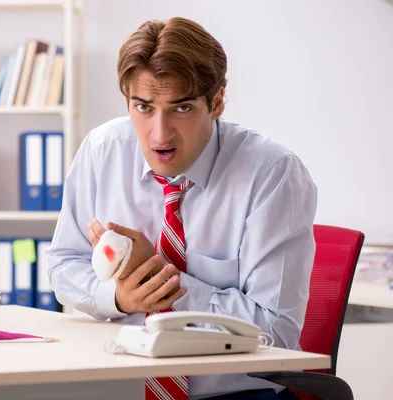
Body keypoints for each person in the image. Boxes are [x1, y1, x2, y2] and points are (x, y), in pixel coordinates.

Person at [45, 16, 317, 400]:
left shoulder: (272, 174)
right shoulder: (101, 150)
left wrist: (158, 279)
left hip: (231, 395)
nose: (160, 134)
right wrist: (120, 297)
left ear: (217, 101)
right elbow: (62, 264)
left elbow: (276, 330)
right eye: (143, 107)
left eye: (182, 108)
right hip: (118, 387)